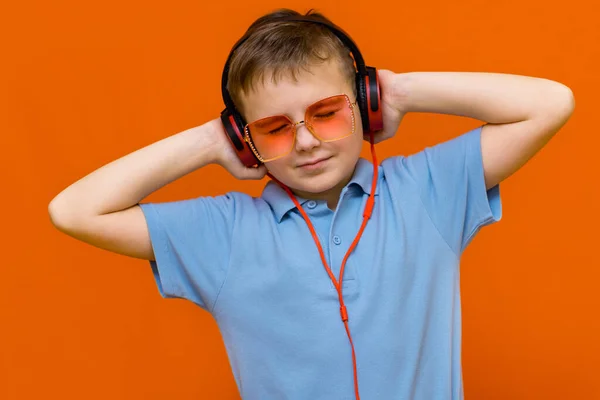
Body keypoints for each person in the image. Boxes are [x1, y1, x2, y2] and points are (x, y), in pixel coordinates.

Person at [48, 8, 575, 400]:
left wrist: (402, 91)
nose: (304, 142)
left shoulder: (425, 190)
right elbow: (73, 211)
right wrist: (209, 143)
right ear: (244, 139)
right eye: (273, 128)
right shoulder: (225, 232)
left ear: (364, 107)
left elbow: (550, 104)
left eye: (325, 113)